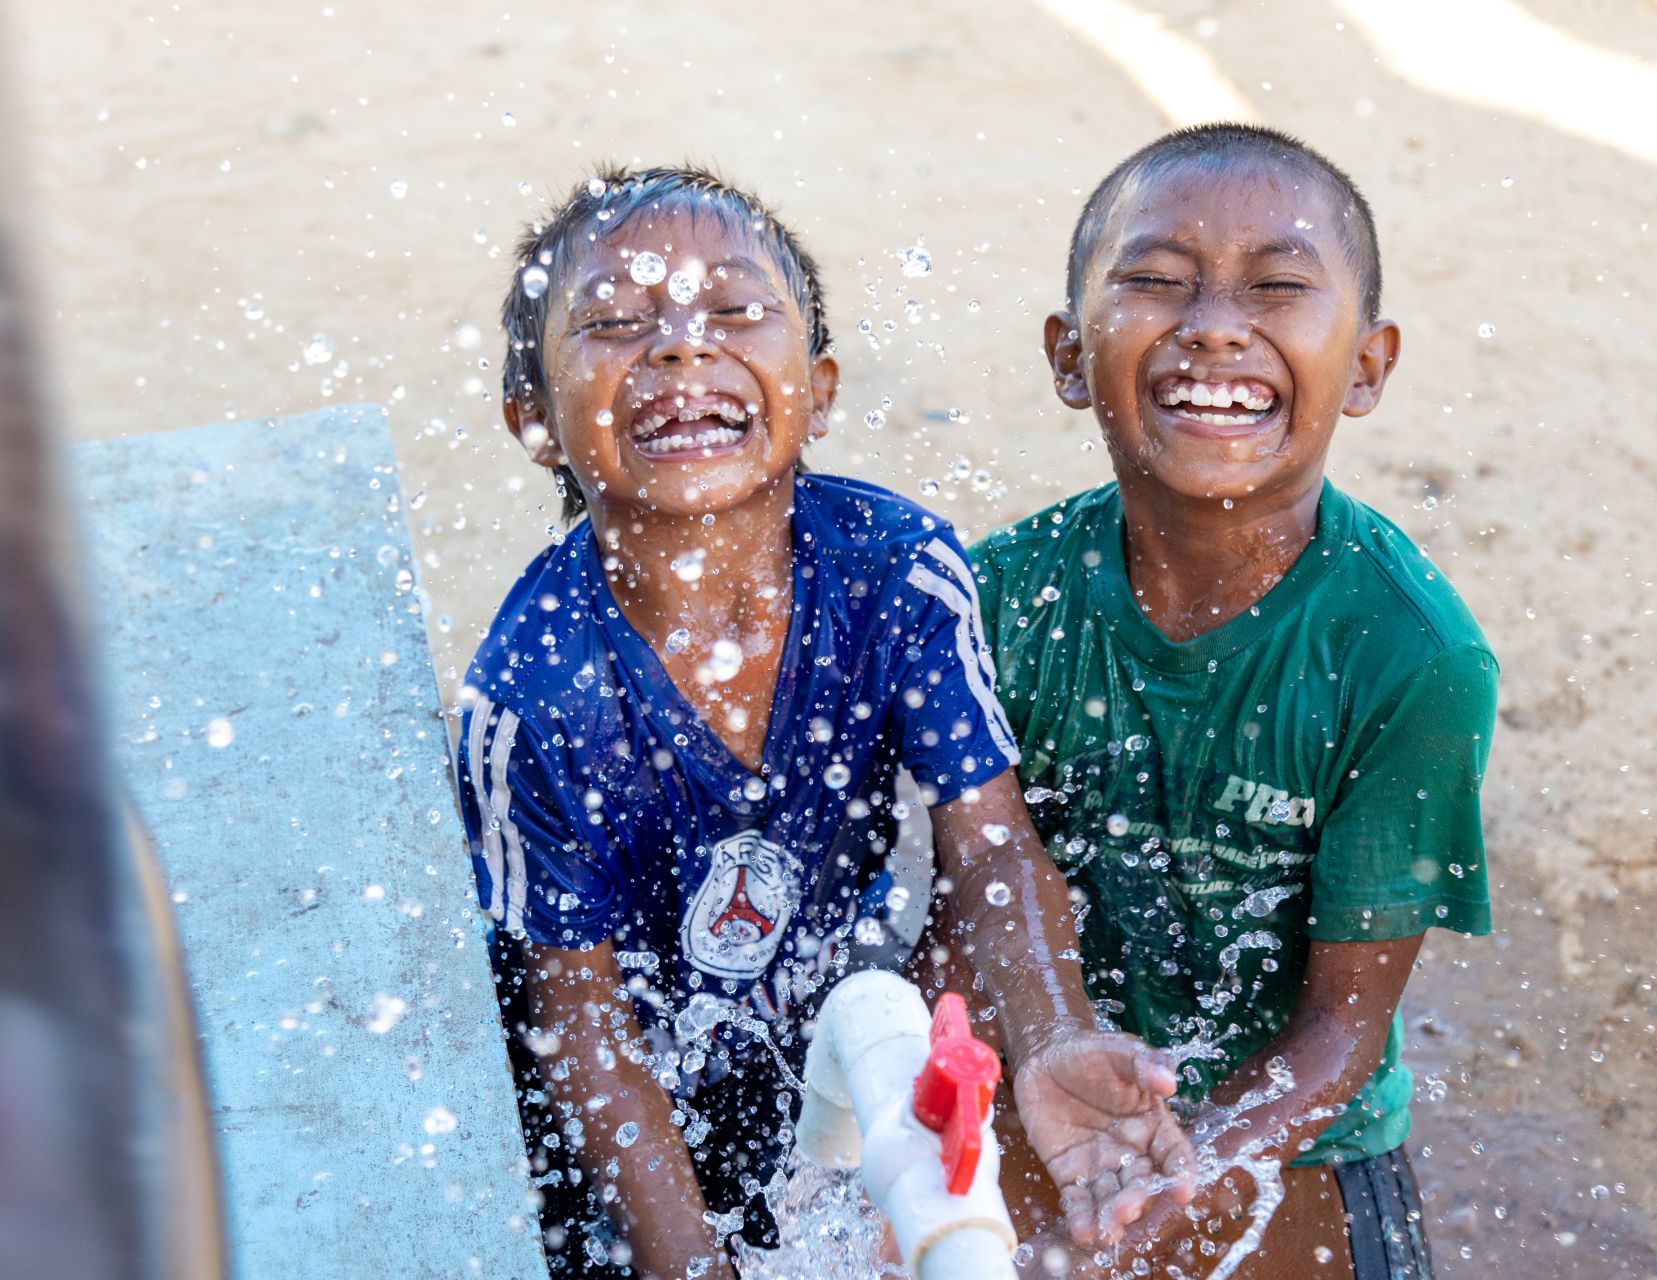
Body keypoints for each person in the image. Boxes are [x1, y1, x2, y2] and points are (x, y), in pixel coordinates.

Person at [454, 165, 1192, 1279]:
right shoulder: (533, 695)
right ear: (537, 422)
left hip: (806, 1044)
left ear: (820, 383)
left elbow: (987, 845)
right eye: (614, 320)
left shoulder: (897, 571)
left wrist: (1053, 1027)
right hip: (604, 1131)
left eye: (738, 309)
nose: (681, 346)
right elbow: (589, 1044)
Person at [964, 124, 1498, 1279]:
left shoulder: (1409, 655)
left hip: (1291, 1128)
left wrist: (1186, 1169)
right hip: (1046, 1082)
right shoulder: (1002, 596)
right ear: (1067, 354)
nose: (1212, 323)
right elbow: (977, 888)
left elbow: (1342, 1031)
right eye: (1155, 281)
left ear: (1366, 365)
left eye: (1280, 286)